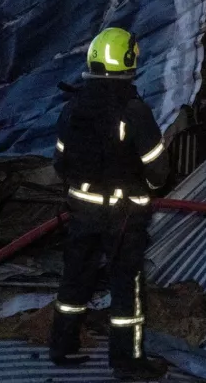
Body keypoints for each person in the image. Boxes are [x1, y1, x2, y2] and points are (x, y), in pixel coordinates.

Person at [49, 27, 171, 380]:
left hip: (82, 210)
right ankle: (127, 362)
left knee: (75, 279)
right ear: (129, 60)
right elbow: (158, 172)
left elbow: (60, 162)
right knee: (125, 288)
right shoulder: (134, 110)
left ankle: (62, 345)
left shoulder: (72, 107)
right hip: (123, 216)